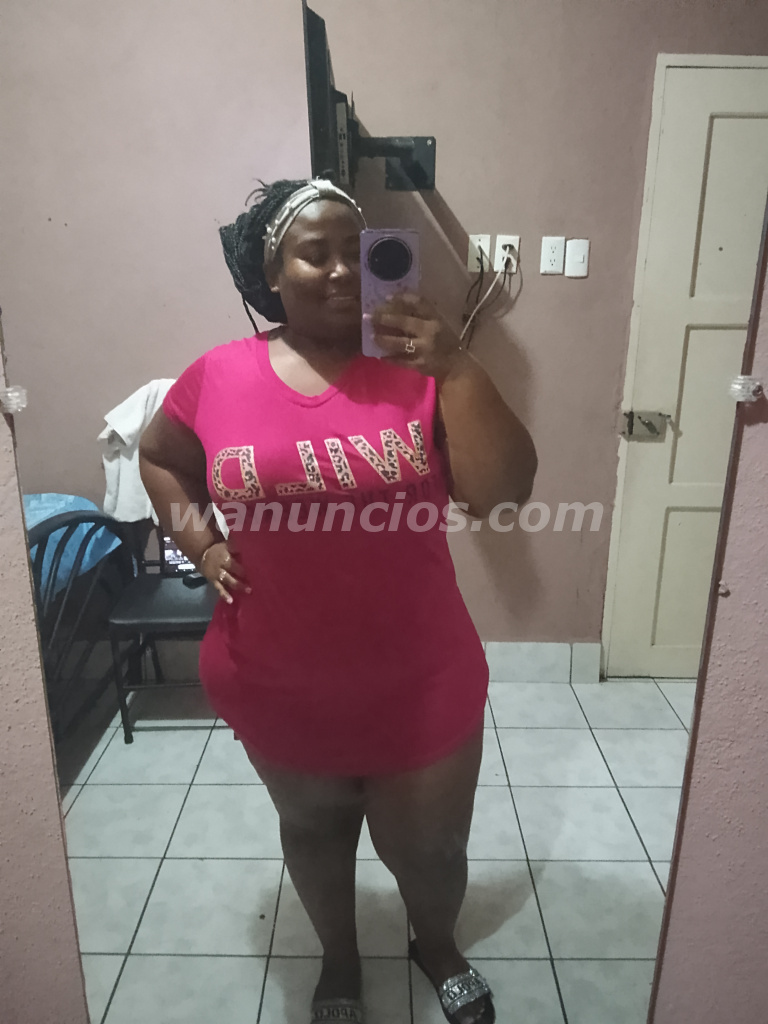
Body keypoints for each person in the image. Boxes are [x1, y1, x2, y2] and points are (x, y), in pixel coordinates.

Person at [139, 177, 537, 1024]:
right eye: (313, 254)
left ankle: (437, 944)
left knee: (430, 848)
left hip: (419, 673)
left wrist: (456, 366)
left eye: (360, 251)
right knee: (316, 833)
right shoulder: (216, 376)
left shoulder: (420, 369)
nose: (341, 271)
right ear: (270, 273)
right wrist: (202, 545)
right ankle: (340, 960)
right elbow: (160, 456)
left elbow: (501, 497)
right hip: (275, 672)